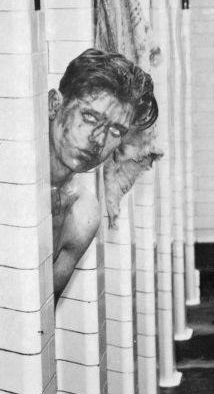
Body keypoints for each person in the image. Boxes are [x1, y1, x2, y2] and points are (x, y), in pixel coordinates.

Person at [49, 48, 158, 299]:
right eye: (89, 116)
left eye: (116, 131)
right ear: (54, 105)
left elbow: (42, 319)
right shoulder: (8, 182)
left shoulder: (82, 215)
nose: (98, 140)